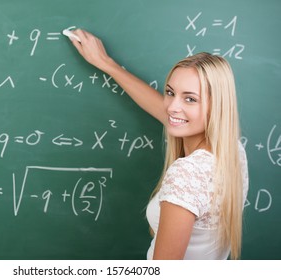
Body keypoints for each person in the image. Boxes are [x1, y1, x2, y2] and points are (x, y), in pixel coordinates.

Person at [68, 29, 249, 260]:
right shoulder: (232, 151)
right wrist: (106, 63)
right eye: (170, 92)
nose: (172, 106)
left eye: (190, 98)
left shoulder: (189, 173)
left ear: (217, 107)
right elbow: (167, 110)